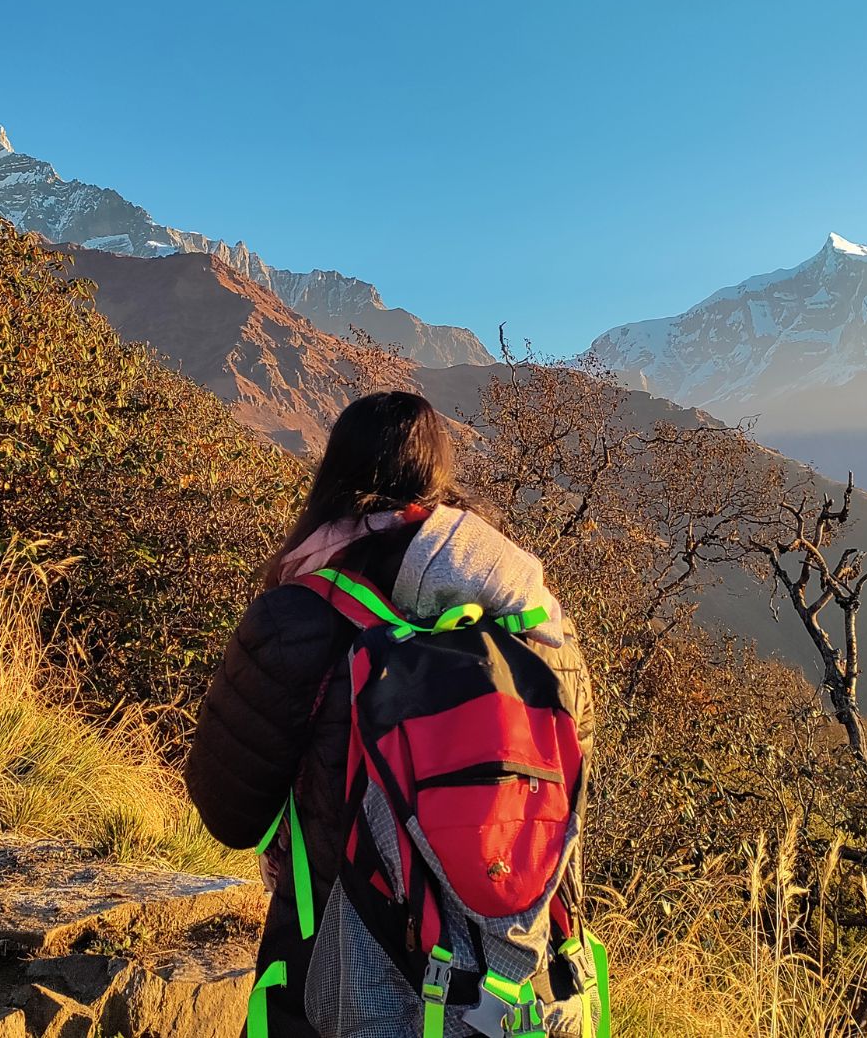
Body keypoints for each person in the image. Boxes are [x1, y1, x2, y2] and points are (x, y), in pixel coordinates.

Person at [185, 391, 594, 1038]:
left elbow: (226, 811)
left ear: (335, 476)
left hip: (328, 968)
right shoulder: (540, 629)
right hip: (505, 977)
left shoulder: (299, 615)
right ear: (440, 477)